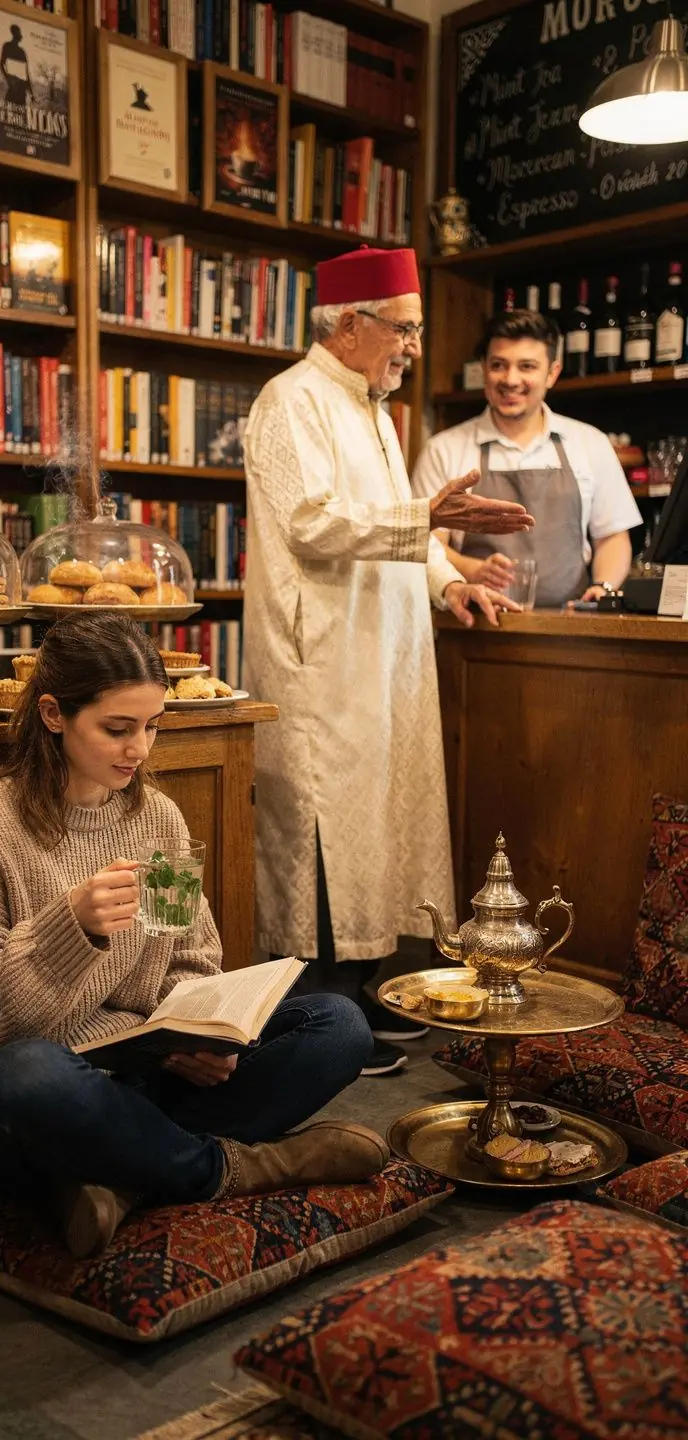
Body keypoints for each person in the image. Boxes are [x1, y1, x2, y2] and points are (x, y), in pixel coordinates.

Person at [0, 613, 388, 1259]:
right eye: (117, 729)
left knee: (338, 1025)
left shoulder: (155, 819)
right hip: (9, 1096)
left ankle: (116, 1177)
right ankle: (233, 1169)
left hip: (139, 1072)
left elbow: (186, 958)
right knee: (29, 1077)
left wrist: (193, 1037)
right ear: (53, 714)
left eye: (152, 726)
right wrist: (64, 928)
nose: (140, 749)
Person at [243, 245, 530, 1077]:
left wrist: (447, 584)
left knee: (376, 822)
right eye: (402, 329)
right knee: (326, 827)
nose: (411, 345)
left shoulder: (371, 409)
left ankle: (362, 988)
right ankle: (313, 1011)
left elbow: (399, 527)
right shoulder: (290, 399)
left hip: (384, 653)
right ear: (348, 325)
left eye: (415, 330)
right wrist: (425, 524)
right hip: (324, 659)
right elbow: (314, 522)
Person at [412, 309, 642, 606]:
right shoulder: (443, 449)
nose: (511, 379)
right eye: (498, 365)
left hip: (575, 629)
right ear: (483, 368)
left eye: (527, 366)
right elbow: (426, 542)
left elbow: (612, 537)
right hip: (475, 626)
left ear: (552, 373)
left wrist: (603, 586)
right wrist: (473, 570)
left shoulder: (590, 443)